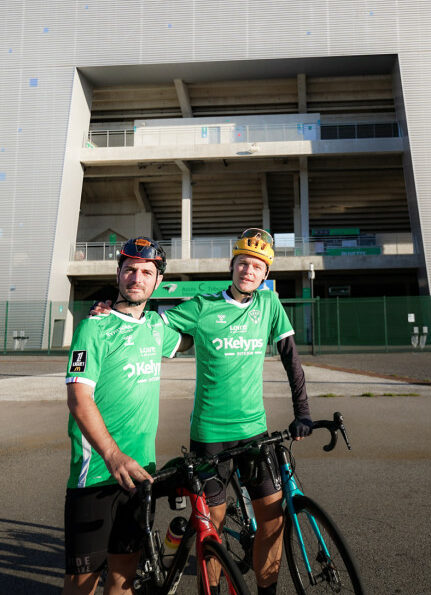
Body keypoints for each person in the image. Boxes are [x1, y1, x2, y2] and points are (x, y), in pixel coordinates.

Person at [163, 228, 313, 595]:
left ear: (265, 275)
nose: (249, 270)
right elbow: (150, 325)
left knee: (273, 521)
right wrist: (111, 309)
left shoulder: (269, 306)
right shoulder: (202, 307)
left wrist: (303, 412)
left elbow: (292, 361)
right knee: (210, 527)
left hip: (254, 434)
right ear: (232, 266)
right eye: (243, 263)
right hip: (209, 437)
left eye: (258, 266)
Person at [63, 237, 189, 595]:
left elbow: (191, 340)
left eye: (147, 272)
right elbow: (78, 399)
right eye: (130, 269)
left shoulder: (155, 327)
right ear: (118, 273)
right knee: (80, 584)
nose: (137, 277)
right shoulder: (93, 328)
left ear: (157, 282)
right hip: (98, 476)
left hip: (141, 472)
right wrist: (112, 454)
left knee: (124, 577)